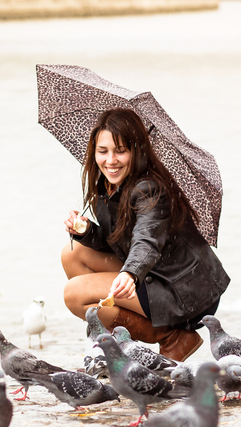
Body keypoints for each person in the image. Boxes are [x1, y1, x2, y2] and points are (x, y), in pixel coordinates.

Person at [61, 107, 229, 361]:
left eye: (120, 151)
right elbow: (118, 242)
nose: (110, 160)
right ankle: (119, 338)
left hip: (184, 291)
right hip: (153, 274)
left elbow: (146, 240)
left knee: (74, 294)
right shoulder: (108, 187)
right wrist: (85, 232)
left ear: (136, 151)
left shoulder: (150, 188)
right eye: (103, 151)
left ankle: (171, 337)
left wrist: (131, 273)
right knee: (73, 254)